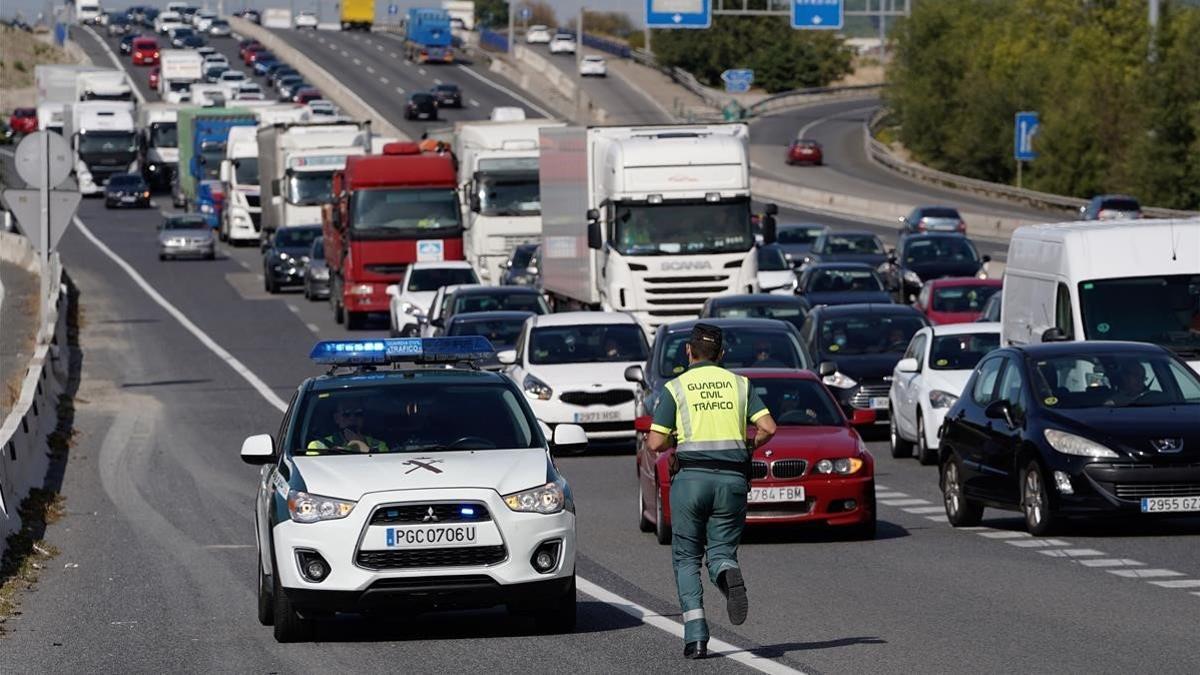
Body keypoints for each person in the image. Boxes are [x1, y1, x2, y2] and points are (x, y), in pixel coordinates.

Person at [646, 324, 777, 660]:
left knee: (686, 557)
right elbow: (768, 428)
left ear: (688, 353)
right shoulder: (740, 385)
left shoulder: (676, 388)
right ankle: (726, 572)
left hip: (690, 480)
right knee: (720, 553)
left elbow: (655, 442)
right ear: (722, 355)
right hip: (732, 481)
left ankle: (696, 637)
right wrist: (748, 446)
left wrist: (678, 439)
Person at [306, 397, 390, 454]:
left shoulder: (379, 445)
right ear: (336, 418)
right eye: (346, 414)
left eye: (358, 413)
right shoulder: (317, 446)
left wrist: (362, 445)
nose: (352, 418)